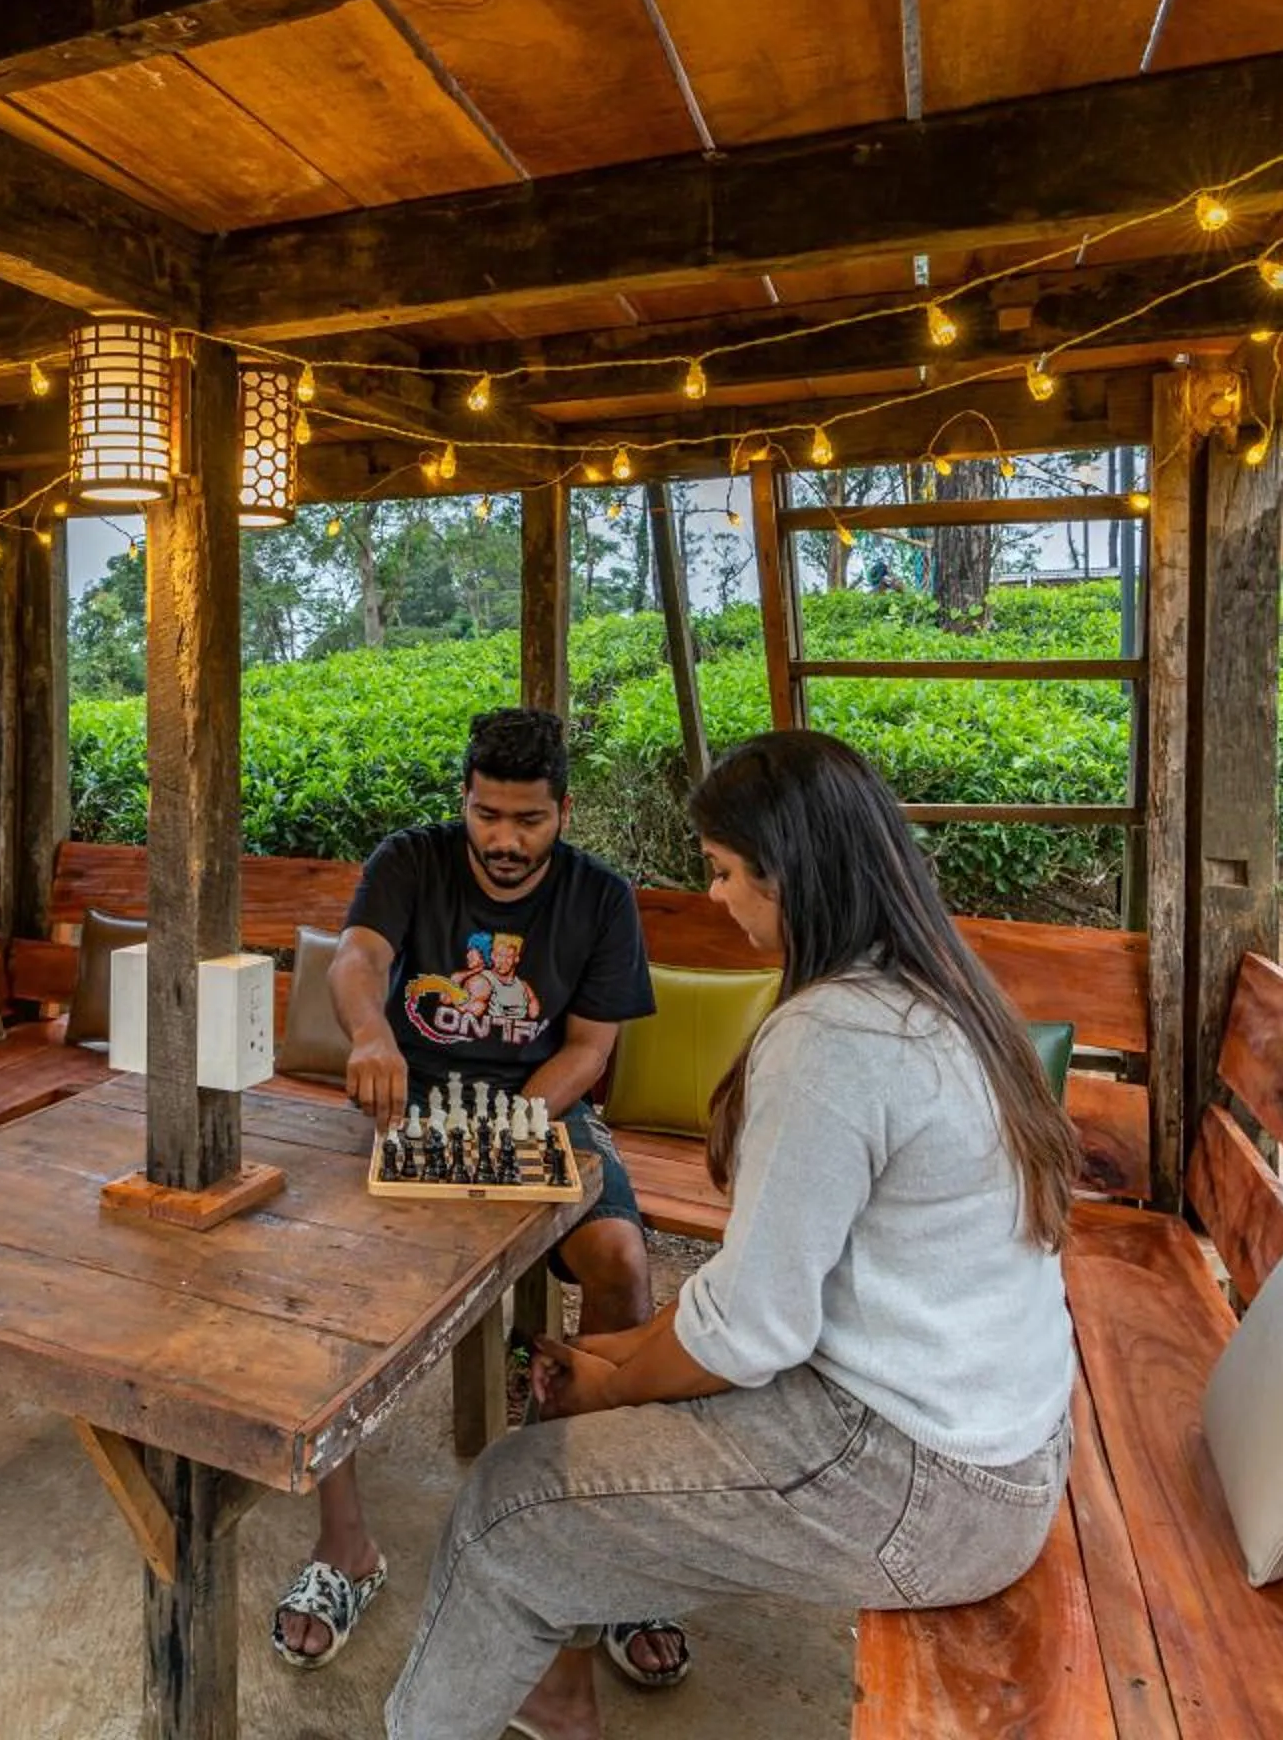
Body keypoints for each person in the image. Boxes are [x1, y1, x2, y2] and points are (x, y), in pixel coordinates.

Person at [383, 729, 1081, 1740]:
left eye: (720, 872)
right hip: (992, 1435)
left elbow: (752, 1329)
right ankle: (553, 1685)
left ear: (786, 873)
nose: (713, 896)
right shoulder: (943, 987)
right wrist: (606, 1357)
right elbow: (775, 1305)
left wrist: (613, 1381)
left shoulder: (833, 1034)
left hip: (923, 1479)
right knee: (572, 1423)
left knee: (507, 1501)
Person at [275, 707, 660, 1671]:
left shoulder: (601, 900)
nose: (504, 841)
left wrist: (507, 1127)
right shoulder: (409, 861)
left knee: (619, 1261)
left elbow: (590, 1048)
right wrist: (369, 1035)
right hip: (406, 1106)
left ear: (562, 812)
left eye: (528, 820)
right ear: (465, 802)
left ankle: (599, 1527)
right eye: (488, 815)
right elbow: (360, 960)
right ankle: (345, 1543)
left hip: (544, 1108)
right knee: (331, 1283)